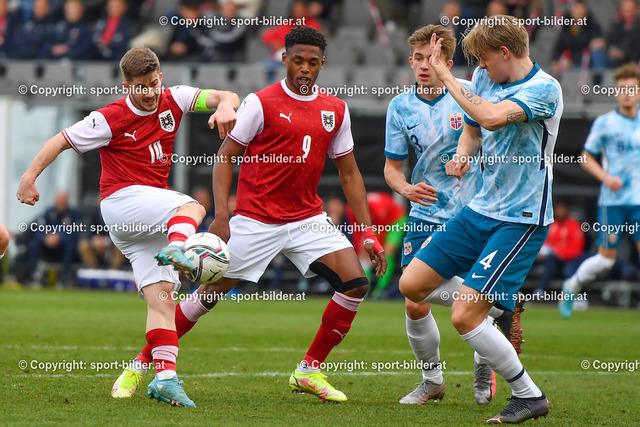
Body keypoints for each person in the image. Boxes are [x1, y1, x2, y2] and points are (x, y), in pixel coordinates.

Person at [114, 26, 387, 404]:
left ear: (322, 64)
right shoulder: (261, 103)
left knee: (355, 283)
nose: (304, 69)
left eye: (312, 62)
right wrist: (222, 215)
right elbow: (225, 156)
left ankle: (308, 370)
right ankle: (140, 364)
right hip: (256, 220)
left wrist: (368, 232)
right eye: (297, 61)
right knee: (207, 295)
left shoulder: (336, 110)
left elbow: (350, 173)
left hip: (307, 218)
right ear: (284, 59)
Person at [17, 46, 240, 408]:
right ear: (127, 86)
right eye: (140, 87)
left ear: (160, 78)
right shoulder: (109, 117)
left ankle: (164, 378)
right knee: (193, 206)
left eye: (153, 84)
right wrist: (29, 177)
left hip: (148, 219)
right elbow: (60, 140)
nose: (149, 93)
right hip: (121, 203)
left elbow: (224, 95)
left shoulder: (175, 98)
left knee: (163, 300)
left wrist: (227, 105)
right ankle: (180, 247)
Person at [400, 15, 562, 424]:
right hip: (480, 209)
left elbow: (490, 117)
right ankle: (497, 308)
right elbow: (474, 130)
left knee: (463, 316)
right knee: (412, 285)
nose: (481, 66)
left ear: (505, 52)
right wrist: (462, 156)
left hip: (520, 219)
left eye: (485, 59)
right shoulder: (483, 78)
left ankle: (529, 395)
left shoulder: (545, 89)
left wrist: (445, 76)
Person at [384, 24, 524, 407]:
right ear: (410, 61)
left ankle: (486, 352)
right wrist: (405, 188)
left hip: (474, 211)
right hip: (425, 212)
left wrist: (468, 160)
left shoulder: (470, 92)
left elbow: (492, 136)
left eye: (431, 59)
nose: (423, 65)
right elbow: (391, 168)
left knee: (465, 302)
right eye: (417, 58)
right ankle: (433, 380)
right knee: (414, 299)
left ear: (447, 63)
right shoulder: (400, 107)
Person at [559, 63, 640, 318]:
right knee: (606, 259)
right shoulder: (605, 123)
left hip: (638, 201)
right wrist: (606, 178)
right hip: (613, 201)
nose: (627, 93)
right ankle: (572, 286)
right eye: (623, 89)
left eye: (632, 89)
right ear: (616, 92)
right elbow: (585, 157)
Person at [346, 192, 407, 299]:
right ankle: (364, 289)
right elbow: (356, 232)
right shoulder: (350, 209)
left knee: (387, 252)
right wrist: (360, 250)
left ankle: (380, 290)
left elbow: (381, 233)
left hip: (395, 220)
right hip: (373, 224)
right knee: (363, 252)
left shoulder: (378, 209)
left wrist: (377, 249)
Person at [26, 191, 81, 284]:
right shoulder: (48, 212)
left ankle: (64, 276)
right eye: (59, 200)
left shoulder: (73, 214)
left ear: (67, 201)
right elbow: (39, 229)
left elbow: (75, 232)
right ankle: (33, 275)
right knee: (33, 244)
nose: (61, 202)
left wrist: (59, 237)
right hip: (47, 245)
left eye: (63, 200)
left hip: (62, 245)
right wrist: (45, 238)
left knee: (70, 246)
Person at [533, 200, 585, 297]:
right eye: (558, 209)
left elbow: (576, 249)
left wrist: (558, 252)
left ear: (567, 210)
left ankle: (572, 295)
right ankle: (539, 291)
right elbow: (545, 243)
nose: (560, 212)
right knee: (538, 260)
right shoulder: (551, 224)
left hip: (570, 259)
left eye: (562, 209)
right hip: (552, 259)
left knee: (568, 271)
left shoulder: (573, 225)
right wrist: (541, 252)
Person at [551, 0, 606, 73]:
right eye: (577, 8)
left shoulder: (592, 26)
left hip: (587, 61)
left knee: (597, 53)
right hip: (572, 62)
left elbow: (599, 41)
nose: (579, 11)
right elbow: (558, 48)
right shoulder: (566, 28)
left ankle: (598, 77)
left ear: (586, 11)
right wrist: (555, 60)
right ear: (571, 11)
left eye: (581, 8)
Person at [605, 0, 640, 67]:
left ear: (636, 9)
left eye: (630, 10)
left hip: (632, 61)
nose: (628, 14)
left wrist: (623, 53)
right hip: (613, 60)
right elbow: (608, 40)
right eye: (626, 10)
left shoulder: (638, 27)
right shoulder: (616, 24)